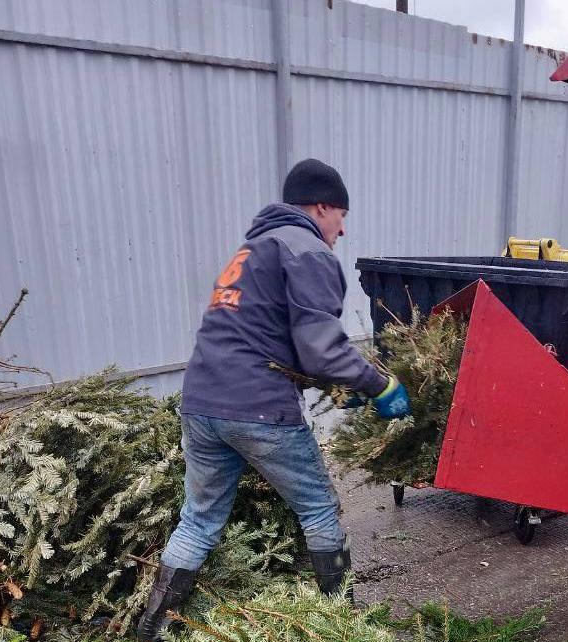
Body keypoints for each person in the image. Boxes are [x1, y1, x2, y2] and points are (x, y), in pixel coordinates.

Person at [137, 159, 411, 640]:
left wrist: (334, 384)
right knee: (318, 507)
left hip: (201, 402)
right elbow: (321, 347)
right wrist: (377, 384)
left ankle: (151, 629)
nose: (342, 229)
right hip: (258, 408)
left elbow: (265, 338)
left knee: (198, 521)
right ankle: (344, 625)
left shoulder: (254, 250)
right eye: (341, 215)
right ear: (321, 207)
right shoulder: (308, 250)